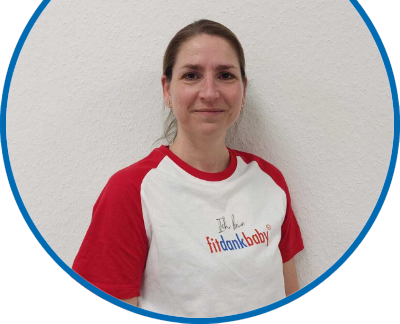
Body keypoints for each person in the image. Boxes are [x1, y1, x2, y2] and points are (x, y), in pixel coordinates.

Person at [72, 19, 304, 318]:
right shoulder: (131, 191)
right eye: (192, 75)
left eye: (225, 75)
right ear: (167, 90)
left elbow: (289, 291)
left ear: (243, 90)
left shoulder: (270, 180)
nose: (209, 92)